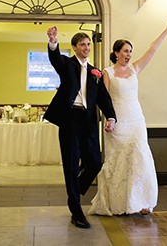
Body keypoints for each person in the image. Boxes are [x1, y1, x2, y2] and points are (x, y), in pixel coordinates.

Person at [89, 19, 167, 216]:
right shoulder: (107, 73)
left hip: (136, 119)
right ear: (117, 53)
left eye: (130, 51)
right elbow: (104, 99)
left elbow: (152, 49)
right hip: (118, 122)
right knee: (119, 162)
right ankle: (118, 202)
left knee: (141, 158)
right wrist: (108, 119)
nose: (128, 54)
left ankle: (143, 201)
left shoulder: (135, 69)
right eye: (125, 51)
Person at [44, 26, 117, 229]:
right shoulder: (67, 64)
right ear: (74, 47)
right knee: (71, 164)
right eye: (82, 44)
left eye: (88, 44)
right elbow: (55, 59)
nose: (86, 47)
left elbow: (103, 97)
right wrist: (52, 41)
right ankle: (76, 211)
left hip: (89, 120)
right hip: (70, 119)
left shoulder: (95, 72)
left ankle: (74, 188)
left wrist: (111, 116)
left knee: (94, 163)